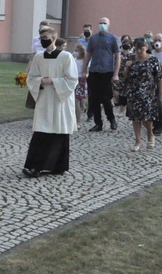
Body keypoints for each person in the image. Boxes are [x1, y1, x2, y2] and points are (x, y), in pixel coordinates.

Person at [22, 27, 78, 177]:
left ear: (54, 38)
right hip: (45, 100)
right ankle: (34, 166)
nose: (43, 41)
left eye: (46, 37)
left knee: (58, 132)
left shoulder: (66, 57)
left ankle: (58, 166)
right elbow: (31, 78)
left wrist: (53, 81)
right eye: (41, 38)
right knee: (41, 132)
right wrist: (41, 81)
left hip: (60, 100)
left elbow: (72, 79)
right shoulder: (39, 58)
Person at [124, 38, 162, 152]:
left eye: (141, 48)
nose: (139, 51)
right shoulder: (131, 59)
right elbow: (124, 76)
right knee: (135, 117)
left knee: (147, 117)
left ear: (146, 48)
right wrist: (127, 67)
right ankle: (138, 141)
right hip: (133, 92)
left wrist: (160, 95)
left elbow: (159, 78)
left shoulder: (153, 60)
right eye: (136, 49)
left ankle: (150, 134)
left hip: (148, 92)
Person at [82, 16, 120, 132]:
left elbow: (118, 55)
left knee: (105, 98)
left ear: (108, 25)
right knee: (94, 99)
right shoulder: (93, 39)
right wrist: (84, 70)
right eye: (100, 23)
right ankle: (98, 123)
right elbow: (88, 54)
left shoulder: (112, 38)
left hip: (107, 71)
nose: (102, 25)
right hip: (94, 71)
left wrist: (116, 73)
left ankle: (111, 119)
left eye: (104, 23)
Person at [114, 35, 134, 117]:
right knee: (118, 93)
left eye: (127, 45)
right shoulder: (119, 54)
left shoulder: (133, 55)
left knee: (127, 94)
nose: (126, 46)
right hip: (119, 75)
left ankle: (125, 110)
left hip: (129, 77)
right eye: (124, 44)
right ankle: (119, 107)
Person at [73, 43, 87, 129]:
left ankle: (78, 121)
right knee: (75, 101)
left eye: (77, 51)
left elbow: (86, 71)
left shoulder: (84, 60)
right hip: (73, 80)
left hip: (80, 81)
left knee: (76, 101)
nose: (75, 52)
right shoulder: (73, 59)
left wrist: (84, 75)